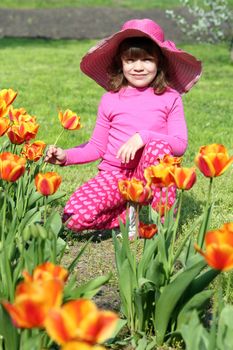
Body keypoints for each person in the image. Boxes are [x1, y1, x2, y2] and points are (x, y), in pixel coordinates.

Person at [44, 18, 202, 237]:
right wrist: (65, 156)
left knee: (158, 147)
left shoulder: (170, 98)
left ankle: (161, 227)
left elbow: (179, 145)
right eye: (130, 60)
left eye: (147, 60)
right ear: (121, 63)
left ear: (160, 63)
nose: (138, 67)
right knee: (73, 217)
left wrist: (144, 136)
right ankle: (125, 215)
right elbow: (96, 147)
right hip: (116, 173)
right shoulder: (110, 99)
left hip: (151, 174)